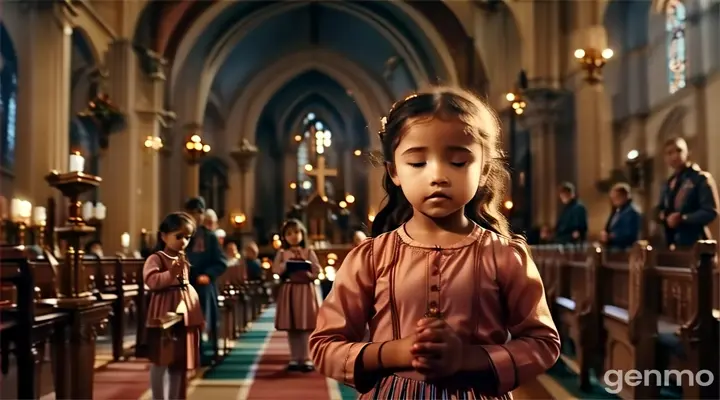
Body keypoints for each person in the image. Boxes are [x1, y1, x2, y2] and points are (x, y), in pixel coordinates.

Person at [309, 88, 560, 398]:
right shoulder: (371, 257)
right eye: (417, 163)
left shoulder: (504, 256)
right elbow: (324, 346)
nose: (438, 175)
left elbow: (543, 342)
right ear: (394, 171)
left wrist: (468, 357)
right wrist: (395, 353)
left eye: (457, 162)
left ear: (482, 170)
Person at [143, 212, 204, 400]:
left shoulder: (182, 257)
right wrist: (170, 274)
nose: (183, 242)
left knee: (179, 360)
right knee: (162, 358)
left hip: (185, 313)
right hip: (165, 312)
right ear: (163, 236)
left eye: (187, 237)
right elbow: (151, 281)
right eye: (179, 236)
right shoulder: (157, 258)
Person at [273, 219, 322, 372]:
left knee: (306, 325)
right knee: (292, 326)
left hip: (306, 290)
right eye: (289, 234)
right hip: (290, 290)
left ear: (302, 234)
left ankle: (307, 358)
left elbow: (317, 270)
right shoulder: (282, 253)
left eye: (296, 232)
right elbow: (275, 270)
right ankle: (294, 358)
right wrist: (285, 265)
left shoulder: (309, 251)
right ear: (284, 237)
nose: (293, 236)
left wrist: (309, 271)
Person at [184, 197, 227, 365]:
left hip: (202, 282)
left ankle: (205, 350)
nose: (195, 217)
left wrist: (208, 274)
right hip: (183, 282)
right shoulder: (178, 234)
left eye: (198, 213)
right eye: (191, 213)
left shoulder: (209, 237)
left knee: (204, 299)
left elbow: (221, 262)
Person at [656, 137, 719, 248]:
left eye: (679, 151)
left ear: (687, 152)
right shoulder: (668, 183)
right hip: (671, 244)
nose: (675, 156)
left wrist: (683, 218)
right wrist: (661, 216)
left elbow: (711, 211)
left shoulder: (700, 178)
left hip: (696, 243)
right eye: (669, 153)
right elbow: (661, 209)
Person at [601, 183, 642, 250]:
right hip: (613, 249)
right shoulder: (617, 210)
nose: (613, 201)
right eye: (612, 198)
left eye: (616, 197)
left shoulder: (632, 212)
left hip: (625, 250)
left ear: (624, 196)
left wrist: (612, 236)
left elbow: (630, 234)